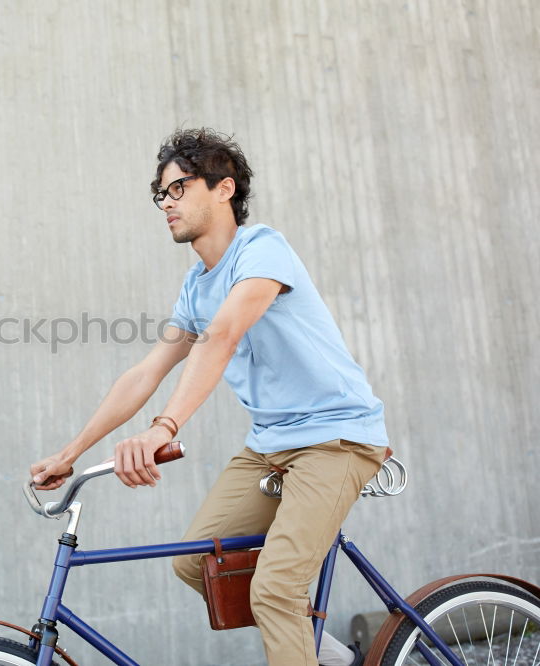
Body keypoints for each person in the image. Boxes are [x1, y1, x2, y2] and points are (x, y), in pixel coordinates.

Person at [29, 128, 387, 666]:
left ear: (224, 189)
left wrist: (163, 428)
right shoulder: (196, 286)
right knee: (198, 562)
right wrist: (70, 452)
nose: (167, 204)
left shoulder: (263, 249)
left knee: (274, 590)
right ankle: (331, 659)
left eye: (180, 189)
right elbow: (145, 373)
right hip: (271, 444)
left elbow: (223, 336)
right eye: (161, 194)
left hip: (337, 438)